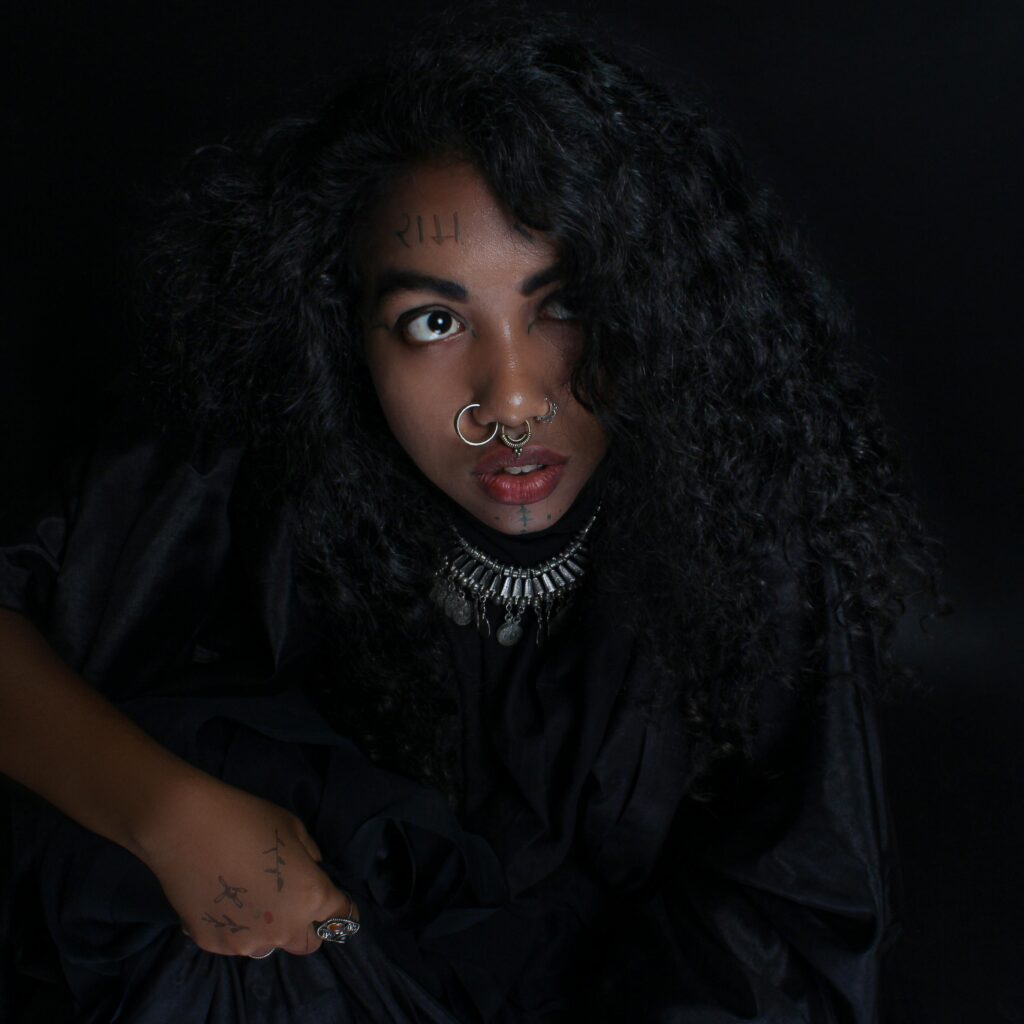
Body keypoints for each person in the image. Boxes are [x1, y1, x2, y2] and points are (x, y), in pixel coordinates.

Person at [0, 10, 940, 1023]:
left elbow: (790, 922)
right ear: (347, 332)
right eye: (434, 322)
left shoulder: (743, 529)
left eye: (563, 304)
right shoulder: (244, 467)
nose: (513, 400)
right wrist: (168, 815)